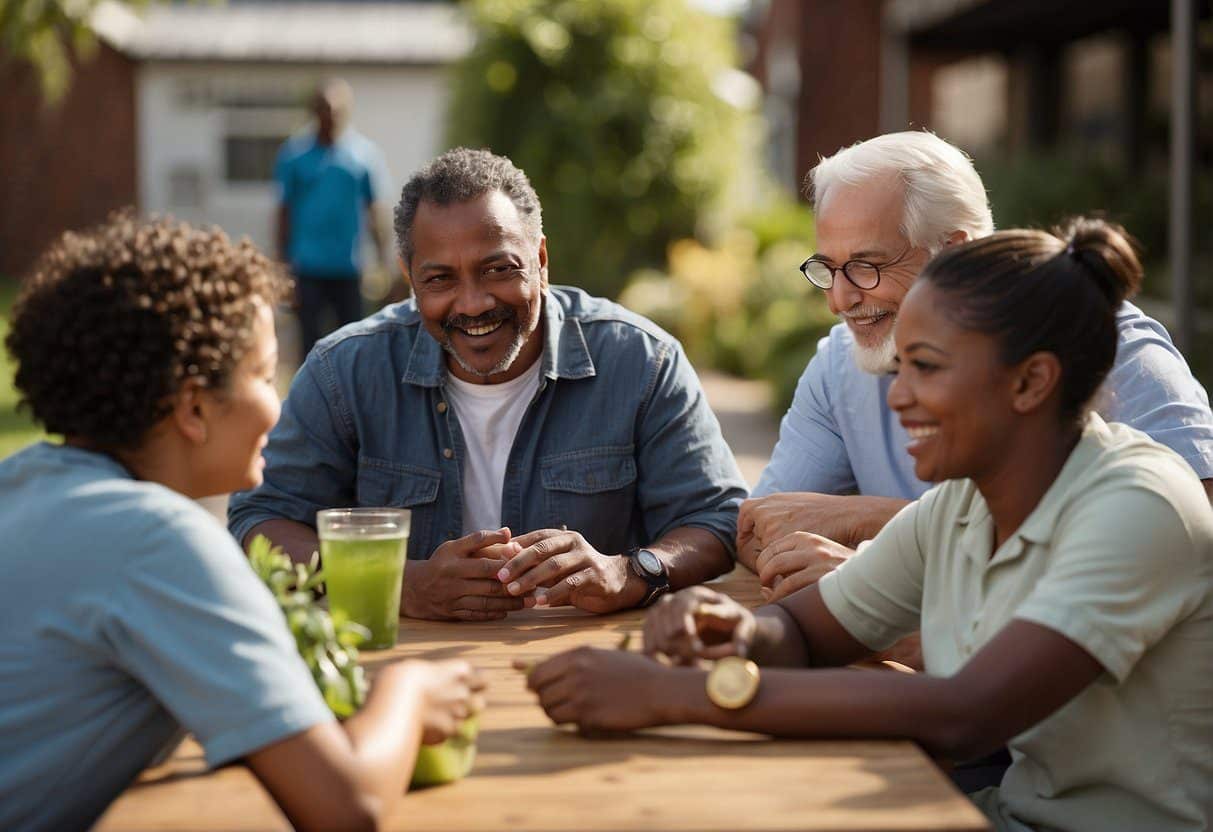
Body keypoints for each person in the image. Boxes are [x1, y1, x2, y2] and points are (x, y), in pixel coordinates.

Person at [521, 219, 1213, 832]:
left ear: (1030, 382)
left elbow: (965, 714)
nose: (899, 397)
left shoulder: (1139, 503)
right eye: (898, 368)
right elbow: (802, 632)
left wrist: (674, 695)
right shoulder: (961, 504)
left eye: (925, 369)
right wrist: (734, 632)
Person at [0, 214, 485, 831]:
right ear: (195, 409)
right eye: (262, 374)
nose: (276, 404)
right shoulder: (157, 539)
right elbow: (345, 805)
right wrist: (410, 692)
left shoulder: (24, 484)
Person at [229, 148, 747, 622]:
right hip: (401, 673)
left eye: (498, 269)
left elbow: (717, 519)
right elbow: (261, 520)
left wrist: (630, 573)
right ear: (410, 279)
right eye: (440, 280)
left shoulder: (641, 361)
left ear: (541, 261)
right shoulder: (343, 371)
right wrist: (398, 584)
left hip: (590, 669)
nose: (473, 303)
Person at [740, 131, 1213, 601]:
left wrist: (877, 531)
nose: (839, 301)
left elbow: (1188, 533)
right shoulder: (841, 361)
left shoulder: (1104, 342)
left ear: (954, 250)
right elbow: (761, 533)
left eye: (868, 265)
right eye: (828, 269)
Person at [275, 78, 390, 358]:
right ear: (314, 111)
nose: (331, 115)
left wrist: (383, 259)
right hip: (308, 266)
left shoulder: (364, 156)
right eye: (325, 109)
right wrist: (282, 262)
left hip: (348, 267)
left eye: (337, 109)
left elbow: (374, 210)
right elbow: (283, 211)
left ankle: (349, 400)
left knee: (353, 343)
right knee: (309, 344)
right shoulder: (294, 155)